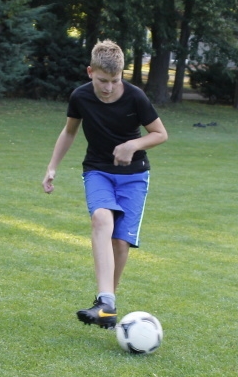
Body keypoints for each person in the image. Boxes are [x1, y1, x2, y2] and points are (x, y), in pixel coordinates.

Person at [42, 39, 168, 328]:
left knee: (120, 242)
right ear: (90, 72)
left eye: (114, 80)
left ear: (121, 75)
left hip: (134, 176)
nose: (108, 87)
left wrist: (132, 145)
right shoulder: (81, 97)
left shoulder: (135, 97)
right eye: (102, 80)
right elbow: (69, 132)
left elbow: (160, 134)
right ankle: (106, 300)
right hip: (98, 170)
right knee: (101, 218)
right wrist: (52, 167)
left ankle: (108, 305)